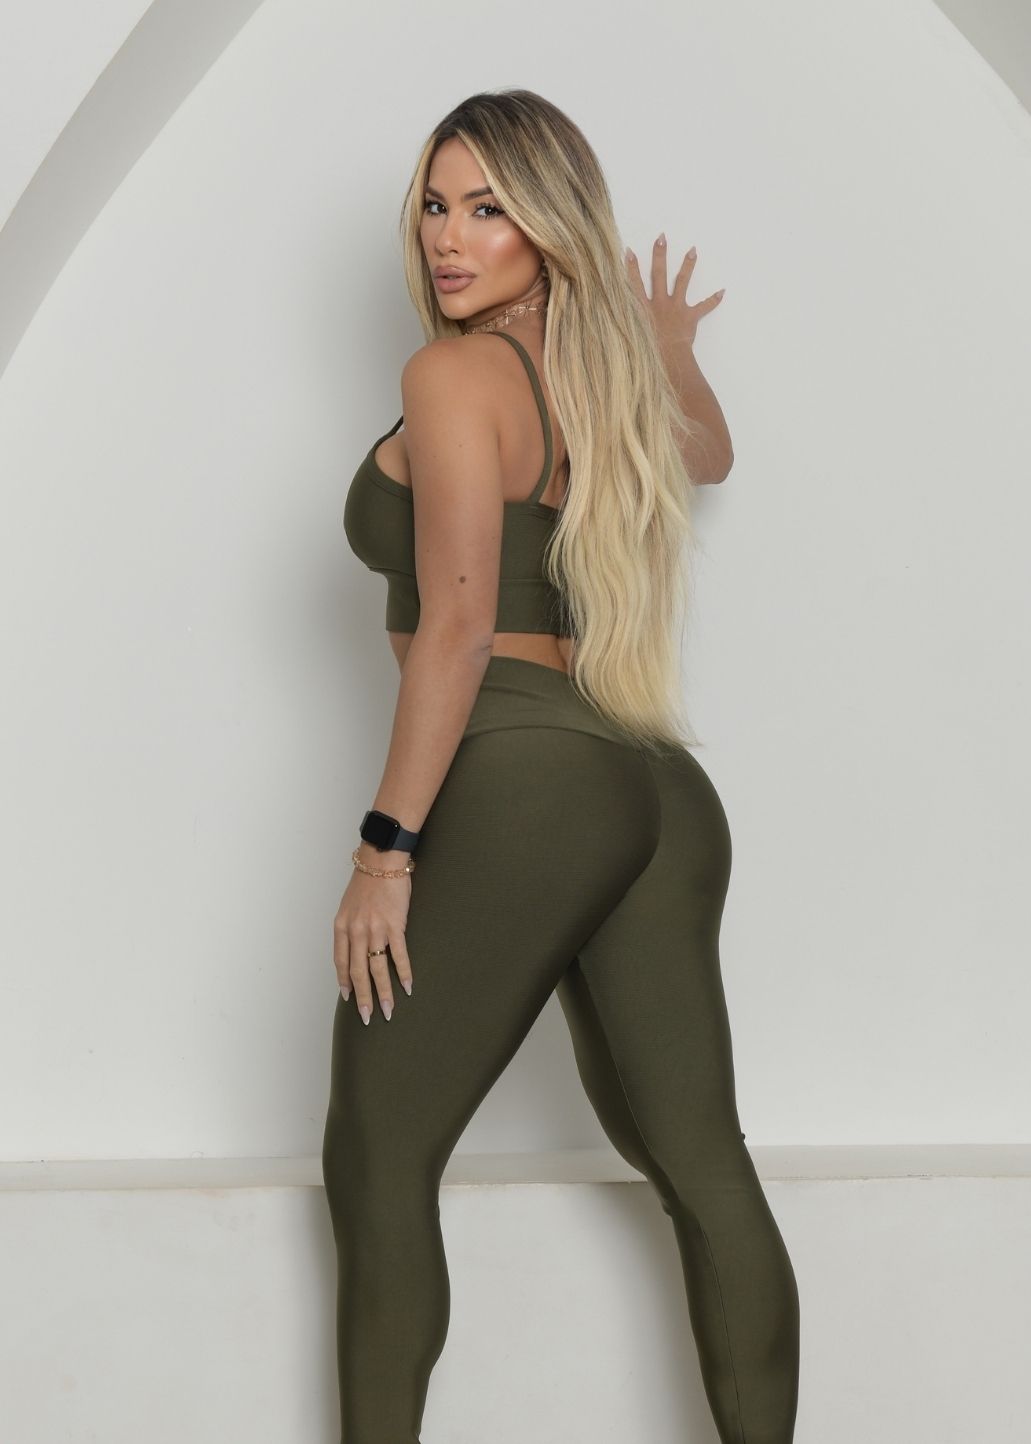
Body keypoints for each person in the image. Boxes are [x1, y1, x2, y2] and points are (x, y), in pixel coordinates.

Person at [321, 88, 800, 1444]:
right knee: (701, 1164)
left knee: (379, 1157)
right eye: (435, 205)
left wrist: (385, 851)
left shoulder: (454, 376)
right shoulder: (602, 373)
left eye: (488, 209)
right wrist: (669, 350)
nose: (448, 238)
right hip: (652, 784)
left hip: (527, 770)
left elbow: (458, 627)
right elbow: (710, 455)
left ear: (550, 226)